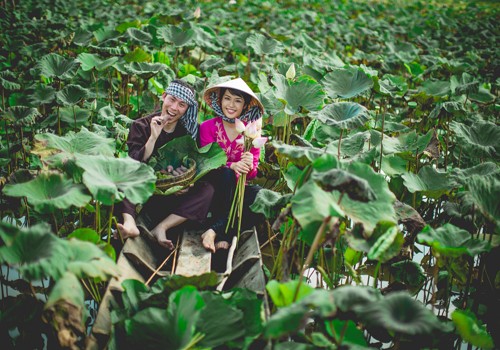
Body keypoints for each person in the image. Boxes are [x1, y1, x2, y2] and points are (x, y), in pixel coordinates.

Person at [115, 79, 214, 250]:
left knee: (207, 190)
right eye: (172, 99)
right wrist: (153, 137)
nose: (174, 107)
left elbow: (195, 165)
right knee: (120, 177)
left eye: (182, 104)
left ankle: (162, 227)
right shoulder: (141, 126)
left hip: (174, 198)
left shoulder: (189, 131)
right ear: (163, 96)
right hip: (145, 194)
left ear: (186, 110)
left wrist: (186, 184)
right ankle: (130, 223)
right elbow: (134, 165)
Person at [199, 78, 265, 253]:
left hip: (238, 193)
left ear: (244, 105)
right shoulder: (207, 127)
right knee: (227, 174)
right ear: (220, 100)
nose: (231, 105)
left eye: (238, 101)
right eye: (227, 98)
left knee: (262, 197)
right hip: (212, 191)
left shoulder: (251, 133)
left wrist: (250, 166)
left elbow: (251, 175)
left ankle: (214, 230)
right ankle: (225, 235)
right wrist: (232, 165)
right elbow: (205, 164)